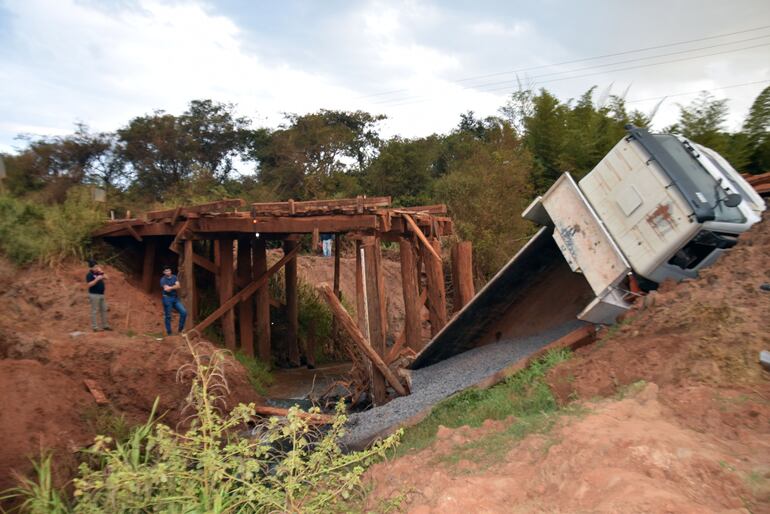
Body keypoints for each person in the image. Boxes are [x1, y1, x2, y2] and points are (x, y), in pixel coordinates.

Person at [160, 265, 187, 336]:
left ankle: (180, 330)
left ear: (171, 271)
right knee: (168, 315)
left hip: (175, 298)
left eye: (169, 270)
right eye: (166, 271)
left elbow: (178, 286)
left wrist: (171, 287)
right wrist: (174, 287)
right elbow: (166, 289)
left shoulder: (174, 277)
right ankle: (169, 333)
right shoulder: (163, 279)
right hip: (167, 298)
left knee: (184, 312)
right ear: (164, 272)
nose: (168, 272)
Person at [86, 260, 111, 331]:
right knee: (95, 311)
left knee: (104, 310)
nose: (96, 268)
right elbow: (89, 284)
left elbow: (107, 277)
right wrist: (96, 279)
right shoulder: (89, 275)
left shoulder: (98, 273)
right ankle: (95, 327)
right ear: (91, 268)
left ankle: (105, 325)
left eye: (97, 266)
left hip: (101, 294)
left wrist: (101, 272)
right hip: (94, 295)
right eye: (95, 267)